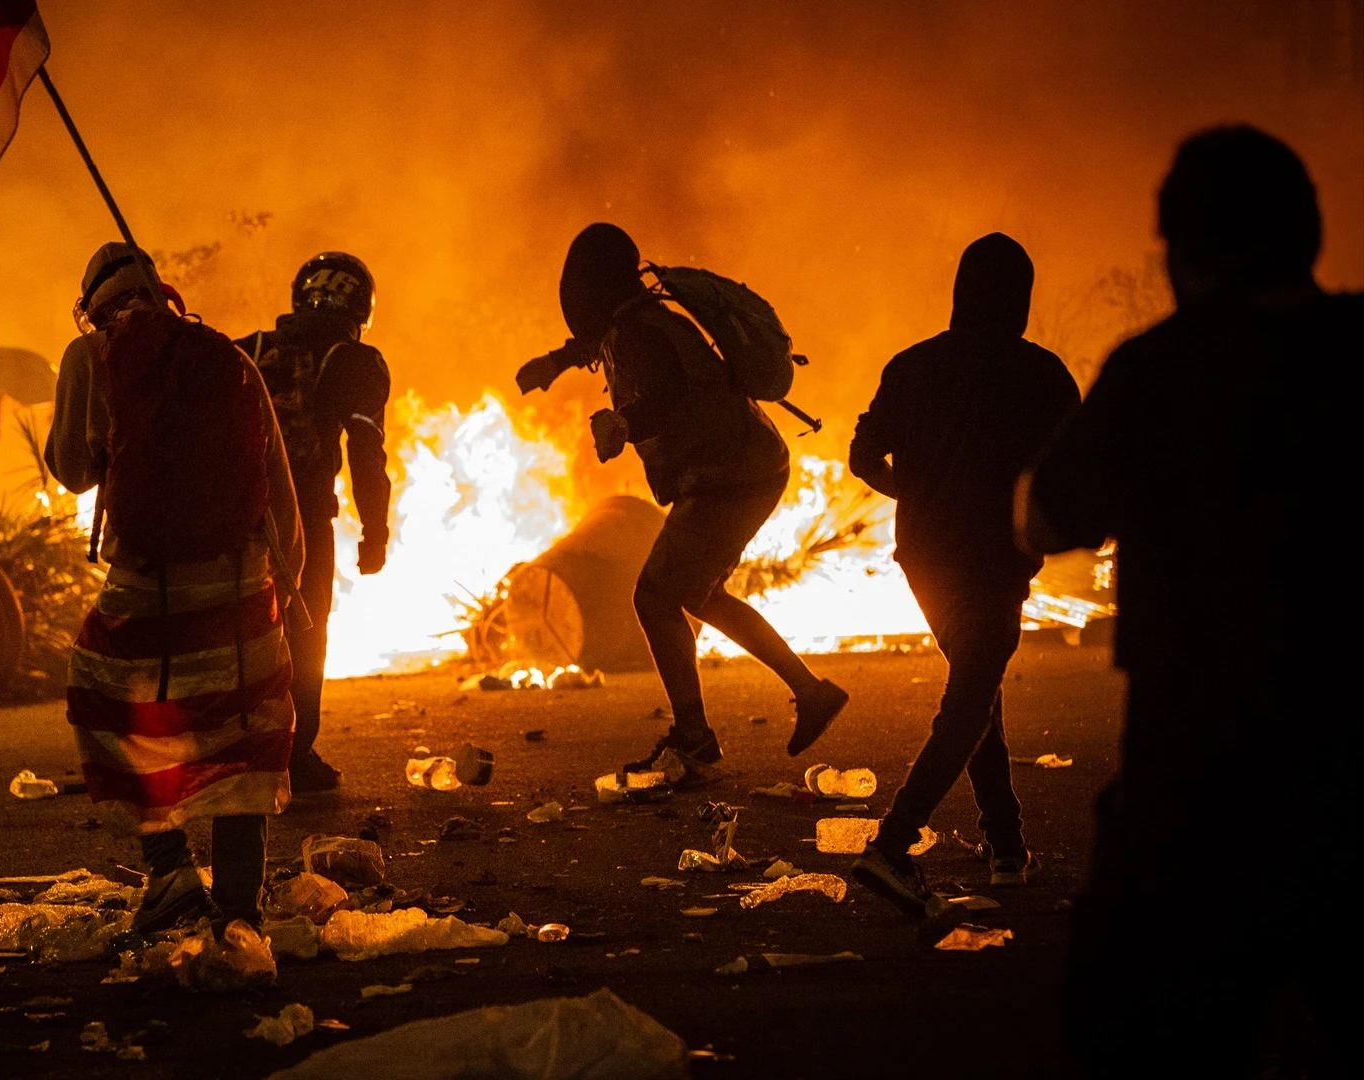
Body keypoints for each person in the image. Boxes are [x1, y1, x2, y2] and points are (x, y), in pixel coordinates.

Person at [1019, 127, 1357, 1076]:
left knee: (1141, 1034)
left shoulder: (1157, 370)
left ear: (1186, 251)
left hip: (1200, 784)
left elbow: (1043, 519)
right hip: (1350, 766)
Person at [518, 224, 848, 770]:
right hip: (744, 467)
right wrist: (556, 363)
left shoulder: (639, 334)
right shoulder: (634, 321)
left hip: (730, 476)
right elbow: (600, 345)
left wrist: (623, 422)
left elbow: (668, 392)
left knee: (654, 597)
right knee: (698, 593)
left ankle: (695, 734)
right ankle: (811, 693)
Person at [46, 243, 304, 932]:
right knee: (242, 739)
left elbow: (70, 467)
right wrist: (289, 585)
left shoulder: (88, 357)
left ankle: (171, 871)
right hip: (242, 580)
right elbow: (275, 477)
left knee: (116, 714)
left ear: (92, 308)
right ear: (163, 292)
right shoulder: (227, 354)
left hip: (150, 588)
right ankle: (242, 915)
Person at [845, 233, 1080, 915]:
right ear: (1021, 300)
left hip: (924, 560)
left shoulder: (911, 366)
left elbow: (863, 457)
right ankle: (892, 847)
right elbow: (1075, 476)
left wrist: (915, 493)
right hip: (997, 560)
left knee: (977, 689)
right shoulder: (1043, 374)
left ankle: (1005, 844)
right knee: (971, 699)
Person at [235, 253, 392, 792]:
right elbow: (366, 451)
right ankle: (293, 755)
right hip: (302, 520)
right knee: (305, 633)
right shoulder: (354, 360)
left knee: (243, 632)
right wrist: (375, 532)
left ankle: (238, 750)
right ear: (359, 308)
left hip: (234, 519)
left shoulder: (246, 350)